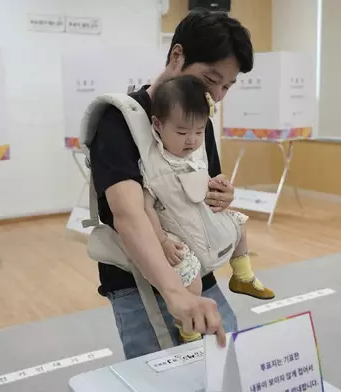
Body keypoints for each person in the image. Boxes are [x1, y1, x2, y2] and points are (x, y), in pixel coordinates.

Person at [88, 9, 256, 360]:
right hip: (140, 284)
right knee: (166, 378)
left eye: (227, 85)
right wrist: (174, 292)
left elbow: (201, 190)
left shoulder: (201, 120)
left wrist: (221, 194)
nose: (219, 95)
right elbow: (129, 214)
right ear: (178, 55)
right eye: (212, 79)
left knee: (229, 368)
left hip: (197, 268)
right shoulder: (120, 120)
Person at [143, 75, 275, 344]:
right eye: (181, 133)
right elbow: (144, 207)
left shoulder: (196, 153)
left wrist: (216, 185)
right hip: (172, 232)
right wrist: (162, 240)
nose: (191, 140)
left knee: (238, 223)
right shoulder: (153, 162)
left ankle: (243, 276)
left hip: (198, 219)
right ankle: (189, 331)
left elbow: (200, 185)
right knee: (192, 281)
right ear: (158, 124)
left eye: (199, 131)